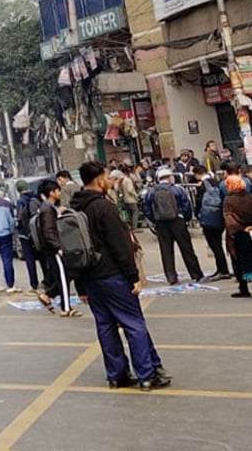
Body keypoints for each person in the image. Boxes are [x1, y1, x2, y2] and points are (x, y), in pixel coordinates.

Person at [70, 162, 171, 391]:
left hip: (90, 277)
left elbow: (73, 250)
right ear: (99, 180)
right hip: (113, 275)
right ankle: (147, 375)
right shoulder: (103, 207)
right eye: (106, 177)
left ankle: (116, 375)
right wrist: (133, 275)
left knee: (105, 326)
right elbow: (120, 245)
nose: (109, 181)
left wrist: (80, 285)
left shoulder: (75, 208)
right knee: (133, 324)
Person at [141, 169, 204, 285]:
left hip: (161, 224)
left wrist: (155, 220)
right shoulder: (177, 189)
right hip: (178, 221)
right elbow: (186, 205)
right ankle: (196, 274)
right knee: (187, 249)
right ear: (169, 177)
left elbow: (146, 208)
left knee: (166, 251)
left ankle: (171, 277)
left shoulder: (152, 191)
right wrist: (186, 219)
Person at [32, 180, 80, 317]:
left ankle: (48, 295)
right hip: (53, 248)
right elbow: (48, 231)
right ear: (51, 193)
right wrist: (57, 247)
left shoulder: (49, 207)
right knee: (63, 276)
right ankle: (66, 308)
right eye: (58, 191)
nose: (60, 193)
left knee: (66, 275)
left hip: (52, 247)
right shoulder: (47, 209)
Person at [222, 176, 252, 298]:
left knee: (239, 262)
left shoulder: (229, 200)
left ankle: (243, 289)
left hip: (239, 234)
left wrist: (241, 228)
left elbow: (229, 219)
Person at [194, 167, 231, 281]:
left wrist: (198, 215)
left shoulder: (203, 185)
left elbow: (199, 203)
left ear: (198, 174)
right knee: (218, 244)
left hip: (208, 219)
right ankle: (223, 269)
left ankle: (222, 270)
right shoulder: (217, 182)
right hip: (219, 217)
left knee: (215, 246)